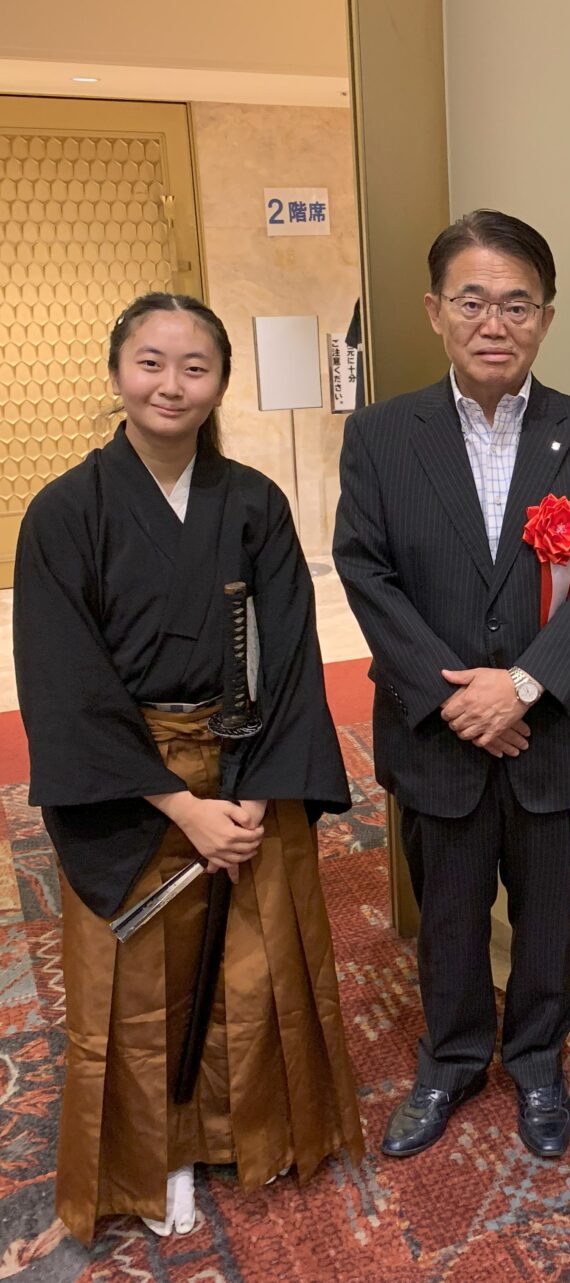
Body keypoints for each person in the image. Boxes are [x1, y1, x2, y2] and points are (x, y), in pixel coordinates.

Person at [14, 293, 363, 1243]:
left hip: (248, 761)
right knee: (135, 987)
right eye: (152, 362)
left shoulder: (252, 501)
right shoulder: (65, 511)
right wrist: (181, 806)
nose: (172, 384)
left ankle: (251, 1129)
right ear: (118, 370)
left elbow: (289, 650)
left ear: (220, 382)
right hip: (133, 783)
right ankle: (153, 1154)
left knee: (256, 969)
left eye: (196, 366)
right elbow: (64, 682)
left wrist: (246, 798)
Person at [333, 210, 570, 1159]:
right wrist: (455, 695)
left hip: (551, 732)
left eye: (517, 302)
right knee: (451, 910)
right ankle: (454, 1057)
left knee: (550, 910)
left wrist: (523, 685)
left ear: (546, 317)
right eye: (473, 300)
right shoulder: (384, 434)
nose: (494, 320)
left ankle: (540, 1063)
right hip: (437, 733)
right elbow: (365, 568)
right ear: (436, 311)